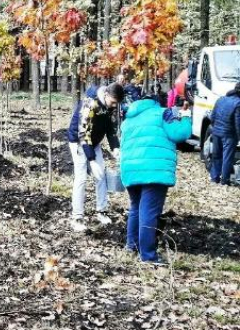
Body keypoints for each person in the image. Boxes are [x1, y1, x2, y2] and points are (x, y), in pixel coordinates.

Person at [120, 97, 192, 264]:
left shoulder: (128, 119)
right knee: (149, 211)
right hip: (154, 168)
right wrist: (186, 116)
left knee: (136, 207)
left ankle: (131, 246)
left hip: (130, 169)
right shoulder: (162, 113)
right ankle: (148, 256)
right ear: (156, 102)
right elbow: (180, 134)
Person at [67, 83, 124, 232]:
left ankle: (101, 211)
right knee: (81, 178)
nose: (114, 106)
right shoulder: (90, 103)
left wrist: (115, 147)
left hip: (94, 141)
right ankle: (77, 217)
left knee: (101, 175)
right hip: (78, 141)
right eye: (113, 102)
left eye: (116, 103)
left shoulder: (111, 105)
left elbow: (111, 128)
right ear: (106, 95)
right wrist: (91, 160)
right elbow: (83, 133)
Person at [209, 82, 240, 185]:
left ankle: (214, 178)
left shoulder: (220, 99)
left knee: (216, 155)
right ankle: (225, 180)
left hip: (217, 132)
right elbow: (238, 123)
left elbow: (212, 117)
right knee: (227, 157)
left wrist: (215, 128)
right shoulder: (238, 103)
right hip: (229, 134)